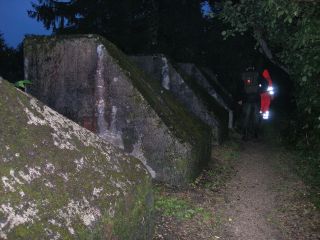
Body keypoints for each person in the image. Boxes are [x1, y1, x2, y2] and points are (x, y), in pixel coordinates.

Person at [237, 66, 268, 140]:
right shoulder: (257, 74)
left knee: (246, 117)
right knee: (256, 117)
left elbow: (240, 87)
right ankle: (255, 134)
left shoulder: (244, 75)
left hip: (246, 99)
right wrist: (260, 91)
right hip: (256, 99)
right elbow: (265, 83)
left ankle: (244, 135)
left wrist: (240, 98)